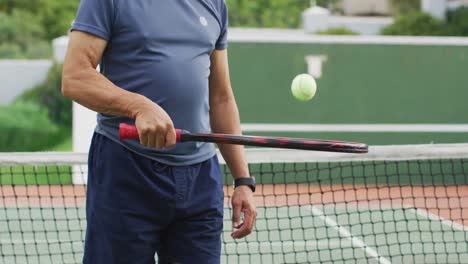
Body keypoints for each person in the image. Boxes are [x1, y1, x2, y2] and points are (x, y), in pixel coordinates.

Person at [62, 0, 257, 263]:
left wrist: (243, 181)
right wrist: (137, 106)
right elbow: (75, 77)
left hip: (201, 179)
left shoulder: (214, 4)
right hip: (126, 170)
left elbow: (221, 98)